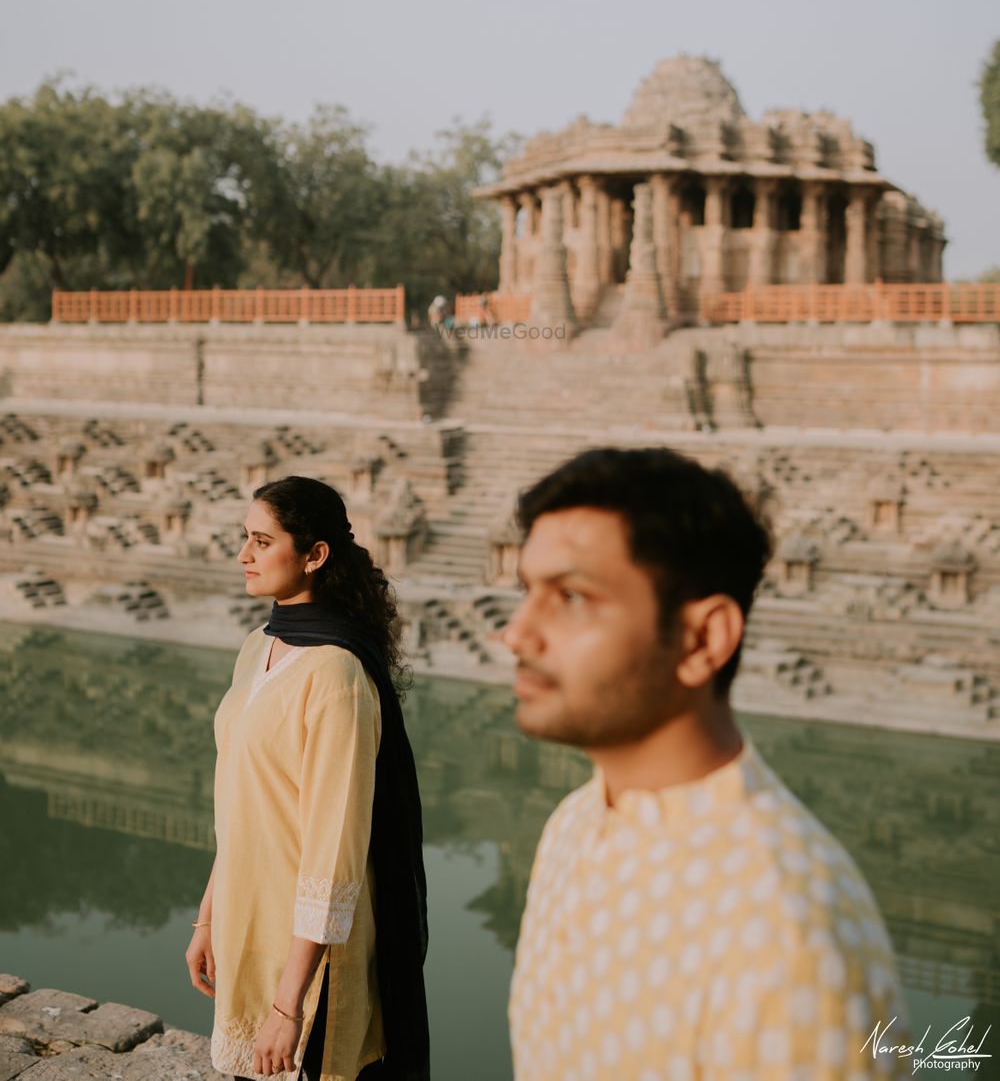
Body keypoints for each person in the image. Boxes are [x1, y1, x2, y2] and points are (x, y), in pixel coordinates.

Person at [504, 446, 911, 1080]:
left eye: (573, 597)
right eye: (528, 591)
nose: (516, 633)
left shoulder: (786, 934)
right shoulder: (575, 820)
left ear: (703, 639)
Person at [186, 475, 429, 1081]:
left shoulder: (337, 674)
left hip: (310, 949)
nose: (244, 555)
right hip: (246, 915)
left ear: (315, 555)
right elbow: (243, 804)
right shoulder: (256, 647)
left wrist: (287, 1005)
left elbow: (334, 851)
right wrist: (208, 917)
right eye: (246, 538)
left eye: (263, 542)